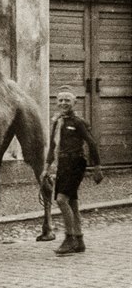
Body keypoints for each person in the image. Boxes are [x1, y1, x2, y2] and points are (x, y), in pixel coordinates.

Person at [42, 86, 103, 256]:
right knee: (72, 202)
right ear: (56, 102)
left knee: (62, 200)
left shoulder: (78, 122)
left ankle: (69, 239)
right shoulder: (57, 121)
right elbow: (53, 146)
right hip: (63, 163)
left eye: (67, 100)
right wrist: (46, 168)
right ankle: (79, 241)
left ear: (74, 103)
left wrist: (97, 167)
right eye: (60, 100)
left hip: (76, 163)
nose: (63, 103)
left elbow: (91, 143)